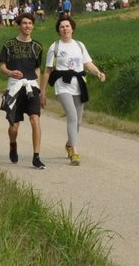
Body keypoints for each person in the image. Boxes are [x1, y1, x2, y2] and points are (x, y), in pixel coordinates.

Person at [42, 15, 105, 166]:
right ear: (58, 30)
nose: (65, 29)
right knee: (72, 117)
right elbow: (47, 70)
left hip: (79, 85)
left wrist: (98, 73)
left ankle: (69, 144)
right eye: (62, 27)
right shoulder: (55, 47)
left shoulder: (79, 45)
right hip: (62, 85)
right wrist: (42, 91)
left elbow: (88, 63)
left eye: (67, 26)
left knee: (78, 121)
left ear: (72, 29)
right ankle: (75, 153)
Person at [0, 11, 46, 169]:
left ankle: (36, 157)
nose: (27, 26)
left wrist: (39, 90)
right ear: (19, 25)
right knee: (14, 126)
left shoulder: (37, 47)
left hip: (31, 87)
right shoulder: (9, 45)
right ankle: (13, 145)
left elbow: (38, 69)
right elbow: (2, 66)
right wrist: (10, 72)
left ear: (33, 26)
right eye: (24, 23)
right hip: (14, 87)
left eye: (30, 24)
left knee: (35, 120)